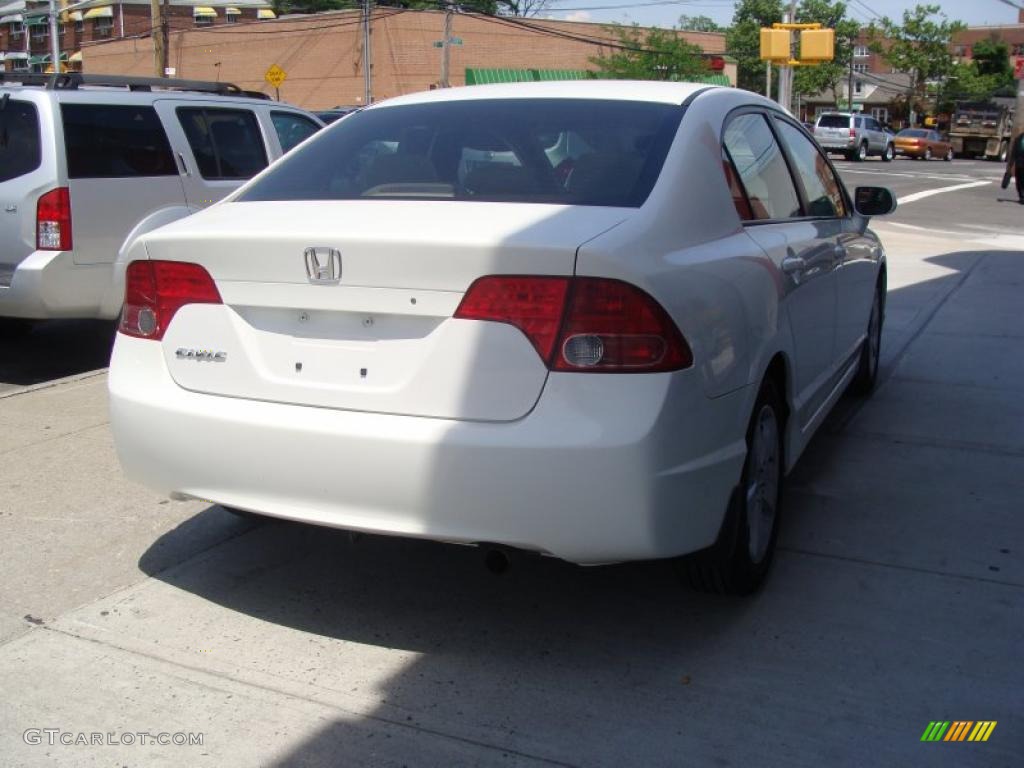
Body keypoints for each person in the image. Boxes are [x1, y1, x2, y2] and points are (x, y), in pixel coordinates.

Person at [1003, 131, 1024, 203]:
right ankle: (1022, 197)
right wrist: (1010, 164)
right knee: (1019, 181)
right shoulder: (1018, 139)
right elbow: (1014, 153)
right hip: (1020, 163)